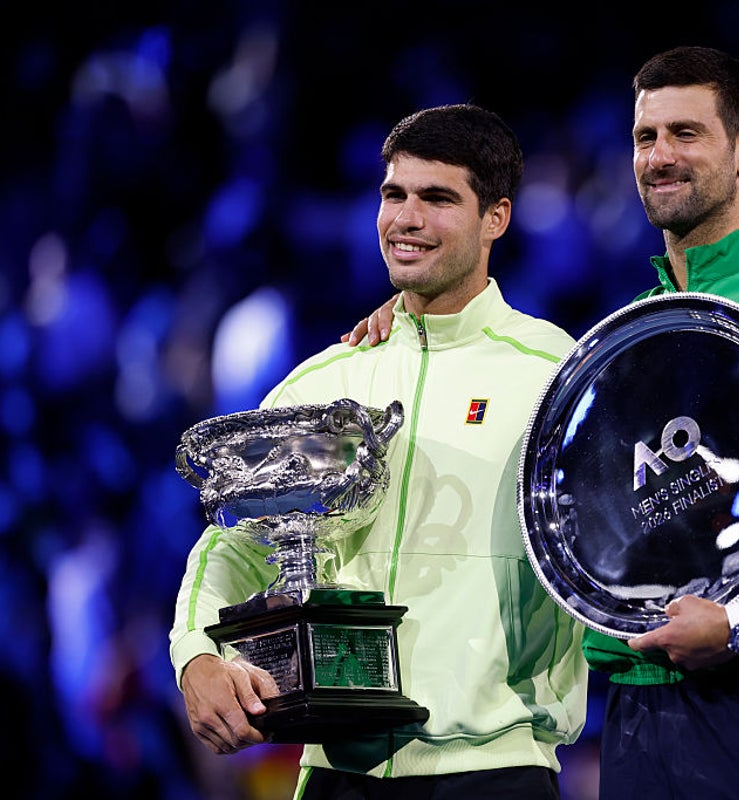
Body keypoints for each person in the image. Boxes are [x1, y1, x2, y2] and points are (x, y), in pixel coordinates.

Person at [343, 46, 739, 799]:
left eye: (687, 133)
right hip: (635, 718)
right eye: (645, 137)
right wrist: (412, 319)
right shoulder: (626, 335)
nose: (660, 156)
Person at [170, 103, 587, 800]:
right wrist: (196, 656)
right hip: (336, 774)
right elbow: (234, 545)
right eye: (394, 195)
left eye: (437, 198)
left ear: (496, 218)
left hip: (495, 772)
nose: (406, 219)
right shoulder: (322, 383)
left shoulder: (557, 374)